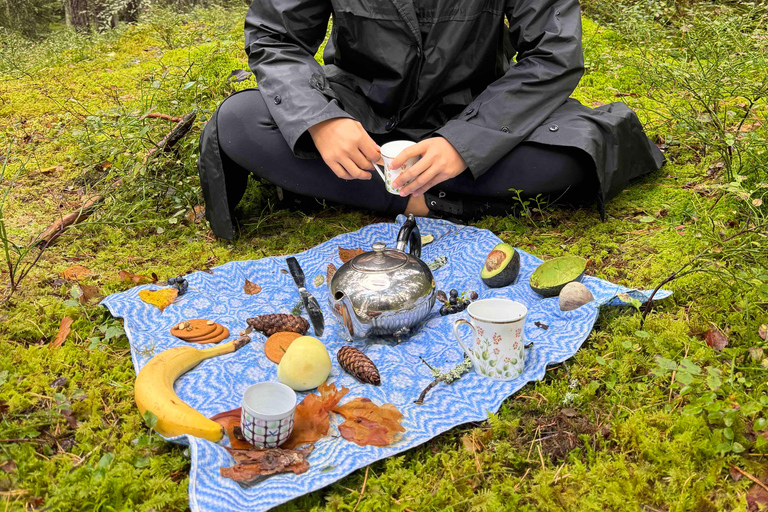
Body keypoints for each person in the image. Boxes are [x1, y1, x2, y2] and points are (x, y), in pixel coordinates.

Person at [198, 0, 664, 240]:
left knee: (582, 153)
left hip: (482, 111)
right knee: (241, 122)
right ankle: (427, 199)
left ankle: (402, 195)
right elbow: (275, 36)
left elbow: (554, 54)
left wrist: (464, 142)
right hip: (360, 112)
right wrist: (322, 121)